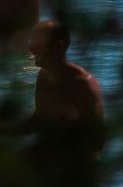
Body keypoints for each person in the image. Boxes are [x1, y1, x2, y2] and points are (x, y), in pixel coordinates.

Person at [22, 20, 105, 177]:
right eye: (32, 43)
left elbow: (97, 141)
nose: (32, 49)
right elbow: (38, 120)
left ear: (59, 46)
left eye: (39, 45)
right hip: (47, 161)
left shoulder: (82, 85)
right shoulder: (43, 76)